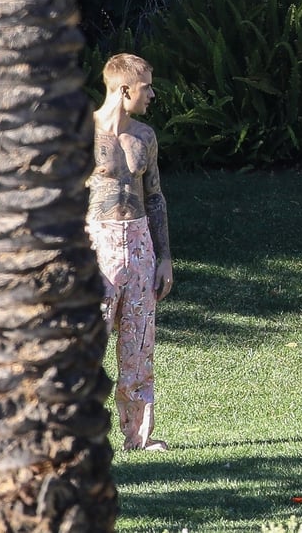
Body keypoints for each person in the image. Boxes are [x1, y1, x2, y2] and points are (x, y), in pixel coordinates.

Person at [86, 53, 173, 451]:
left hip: (139, 244)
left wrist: (165, 257)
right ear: (124, 90)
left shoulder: (145, 136)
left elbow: (154, 196)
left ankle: (139, 436)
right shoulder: (81, 134)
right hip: (96, 243)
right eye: (146, 87)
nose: (152, 94)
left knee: (139, 344)